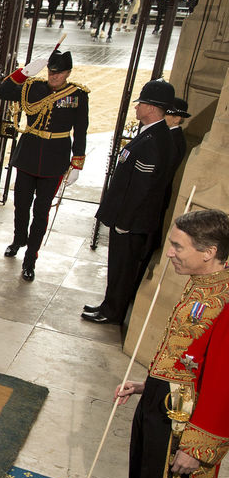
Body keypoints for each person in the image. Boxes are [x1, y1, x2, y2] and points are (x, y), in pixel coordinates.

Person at [85, 209, 229, 478]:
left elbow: (223, 383)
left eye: (178, 247)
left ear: (209, 251)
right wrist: (147, 385)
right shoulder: (201, 282)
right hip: (161, 397)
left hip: (183, 418)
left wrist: (198, 447)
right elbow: (187, 358)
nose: (170, 254)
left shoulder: (225, 300)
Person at [83, 80, 183, 325]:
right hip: (126, 217)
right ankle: (108, 304)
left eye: (141, 105)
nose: (136, 109)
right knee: (116, 265)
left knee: (123, 268)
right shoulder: (151, 134)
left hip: (132, 221)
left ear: (151, 108)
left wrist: (124, 222)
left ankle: (113, 312)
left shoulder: (155, 141)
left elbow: (142, 189)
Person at [0, 48, 88, 281]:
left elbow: (81, 130)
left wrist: (77, 163)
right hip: (28, 154)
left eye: (59, 73)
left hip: (55, 159)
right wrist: (24, 72)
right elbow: (2, 91)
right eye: (51, 72)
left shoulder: (77, 95)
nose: (53, 76)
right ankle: (18, 240)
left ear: (67, 73)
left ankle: (30, 258)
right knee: (21, 205)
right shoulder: (33, 87)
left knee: (41, 212)